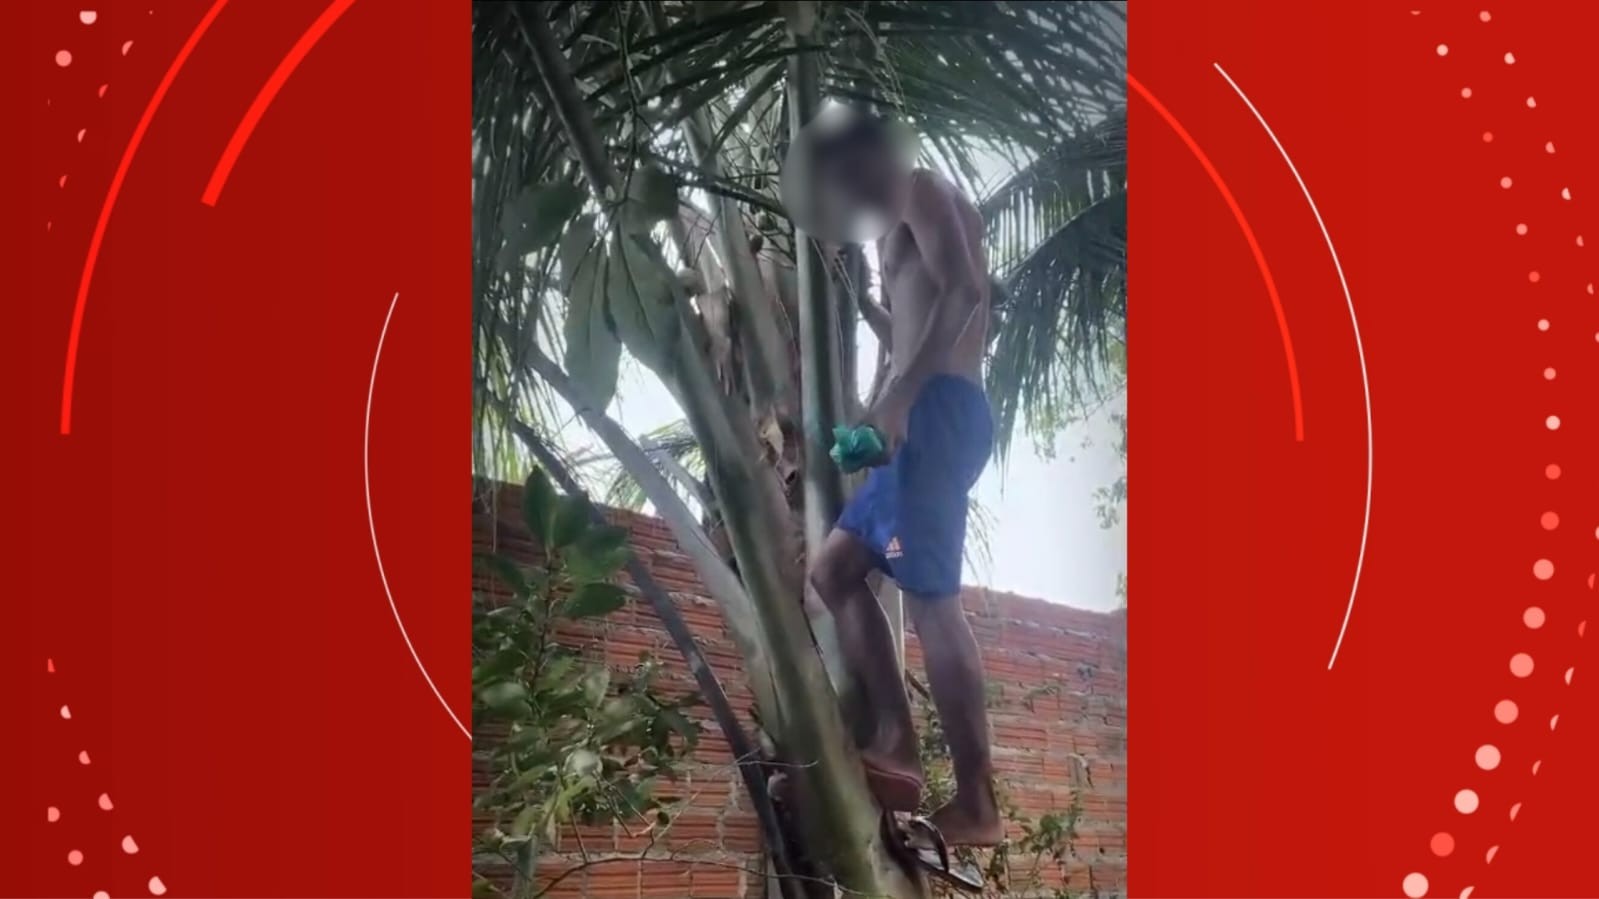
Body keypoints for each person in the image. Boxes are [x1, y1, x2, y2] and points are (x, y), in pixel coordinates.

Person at [806, 113, 1001, 848]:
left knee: (930, 602)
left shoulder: (916, 187)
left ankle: (977, 801)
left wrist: (898, 398)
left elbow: (965, 291)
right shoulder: (891, 223)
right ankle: (896, 740)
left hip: (939, 412)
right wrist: (865, 307)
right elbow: (914, 322)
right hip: (922, 415)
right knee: (834, 570)